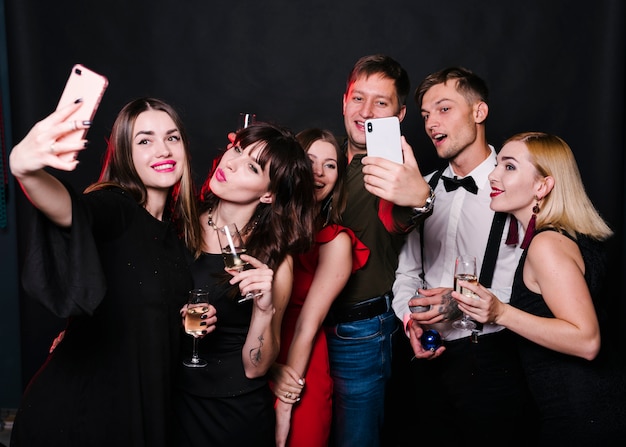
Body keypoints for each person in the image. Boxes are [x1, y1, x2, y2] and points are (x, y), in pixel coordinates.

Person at [9, 97, 202, 447]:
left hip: (138, 410)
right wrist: (25, 169)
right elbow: (68, 209)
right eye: (144, 140)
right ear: (125, 154)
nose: (163, 150)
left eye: (172, 138)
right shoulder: (114, 206)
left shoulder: (176, 233)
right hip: (80, 416)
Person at [392, 67, 537, 444]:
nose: (430, 123)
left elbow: (531, 287)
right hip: (429, 359)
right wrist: (412, 320)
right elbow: (406, 274)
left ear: (478, 112)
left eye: (443, 109)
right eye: (425, 115)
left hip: (494, 358)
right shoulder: (422, 189)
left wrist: (462, 306)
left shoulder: (517, 186)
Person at [454, 132, 626, 444]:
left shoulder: (546, 244)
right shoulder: (562, 236)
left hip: (581, 417)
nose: (493, 174)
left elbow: (587, 340)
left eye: (509, 167)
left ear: (542, 186)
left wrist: (500, 313)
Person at [172, 122, 317, 446]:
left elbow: (256, 368)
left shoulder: (273, 261)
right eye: (236, 150)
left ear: (268, 194)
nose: (231, 163)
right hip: (170, 400)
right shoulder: (178, 221)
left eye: (251, 167)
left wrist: (265, 310)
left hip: (231, 415)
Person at [323, 54, 432, 447]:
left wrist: (421, 199)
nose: (365, 112)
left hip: (360, 334)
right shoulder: (320, 157)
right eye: (358, 98)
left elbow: (401, 216)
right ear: (344, 101)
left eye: (380, 103)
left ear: (400, 114)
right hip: (304, 328)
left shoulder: (396, 170)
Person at [270, 128, 370, 447]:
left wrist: (286, 401)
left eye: (330, 165)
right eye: (310, 160)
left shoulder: (335, 241)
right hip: (249, 359)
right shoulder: (261, 224)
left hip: (300, 363)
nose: (318, 172)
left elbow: (306, 326)